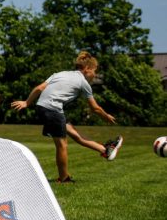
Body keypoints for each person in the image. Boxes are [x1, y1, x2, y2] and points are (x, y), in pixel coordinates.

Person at [10, 51, 122, 183]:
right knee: (62, 145)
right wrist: (106, 116)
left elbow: (40, 88)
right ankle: (64, 178)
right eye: (94, 71)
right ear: (87, 69)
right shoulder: (83, 82)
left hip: (42, 107)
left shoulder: (60, 73)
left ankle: (105, 150)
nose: (95, 74)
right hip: (53, 110)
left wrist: (27, 102)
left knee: (75, 134)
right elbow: (95, 108)